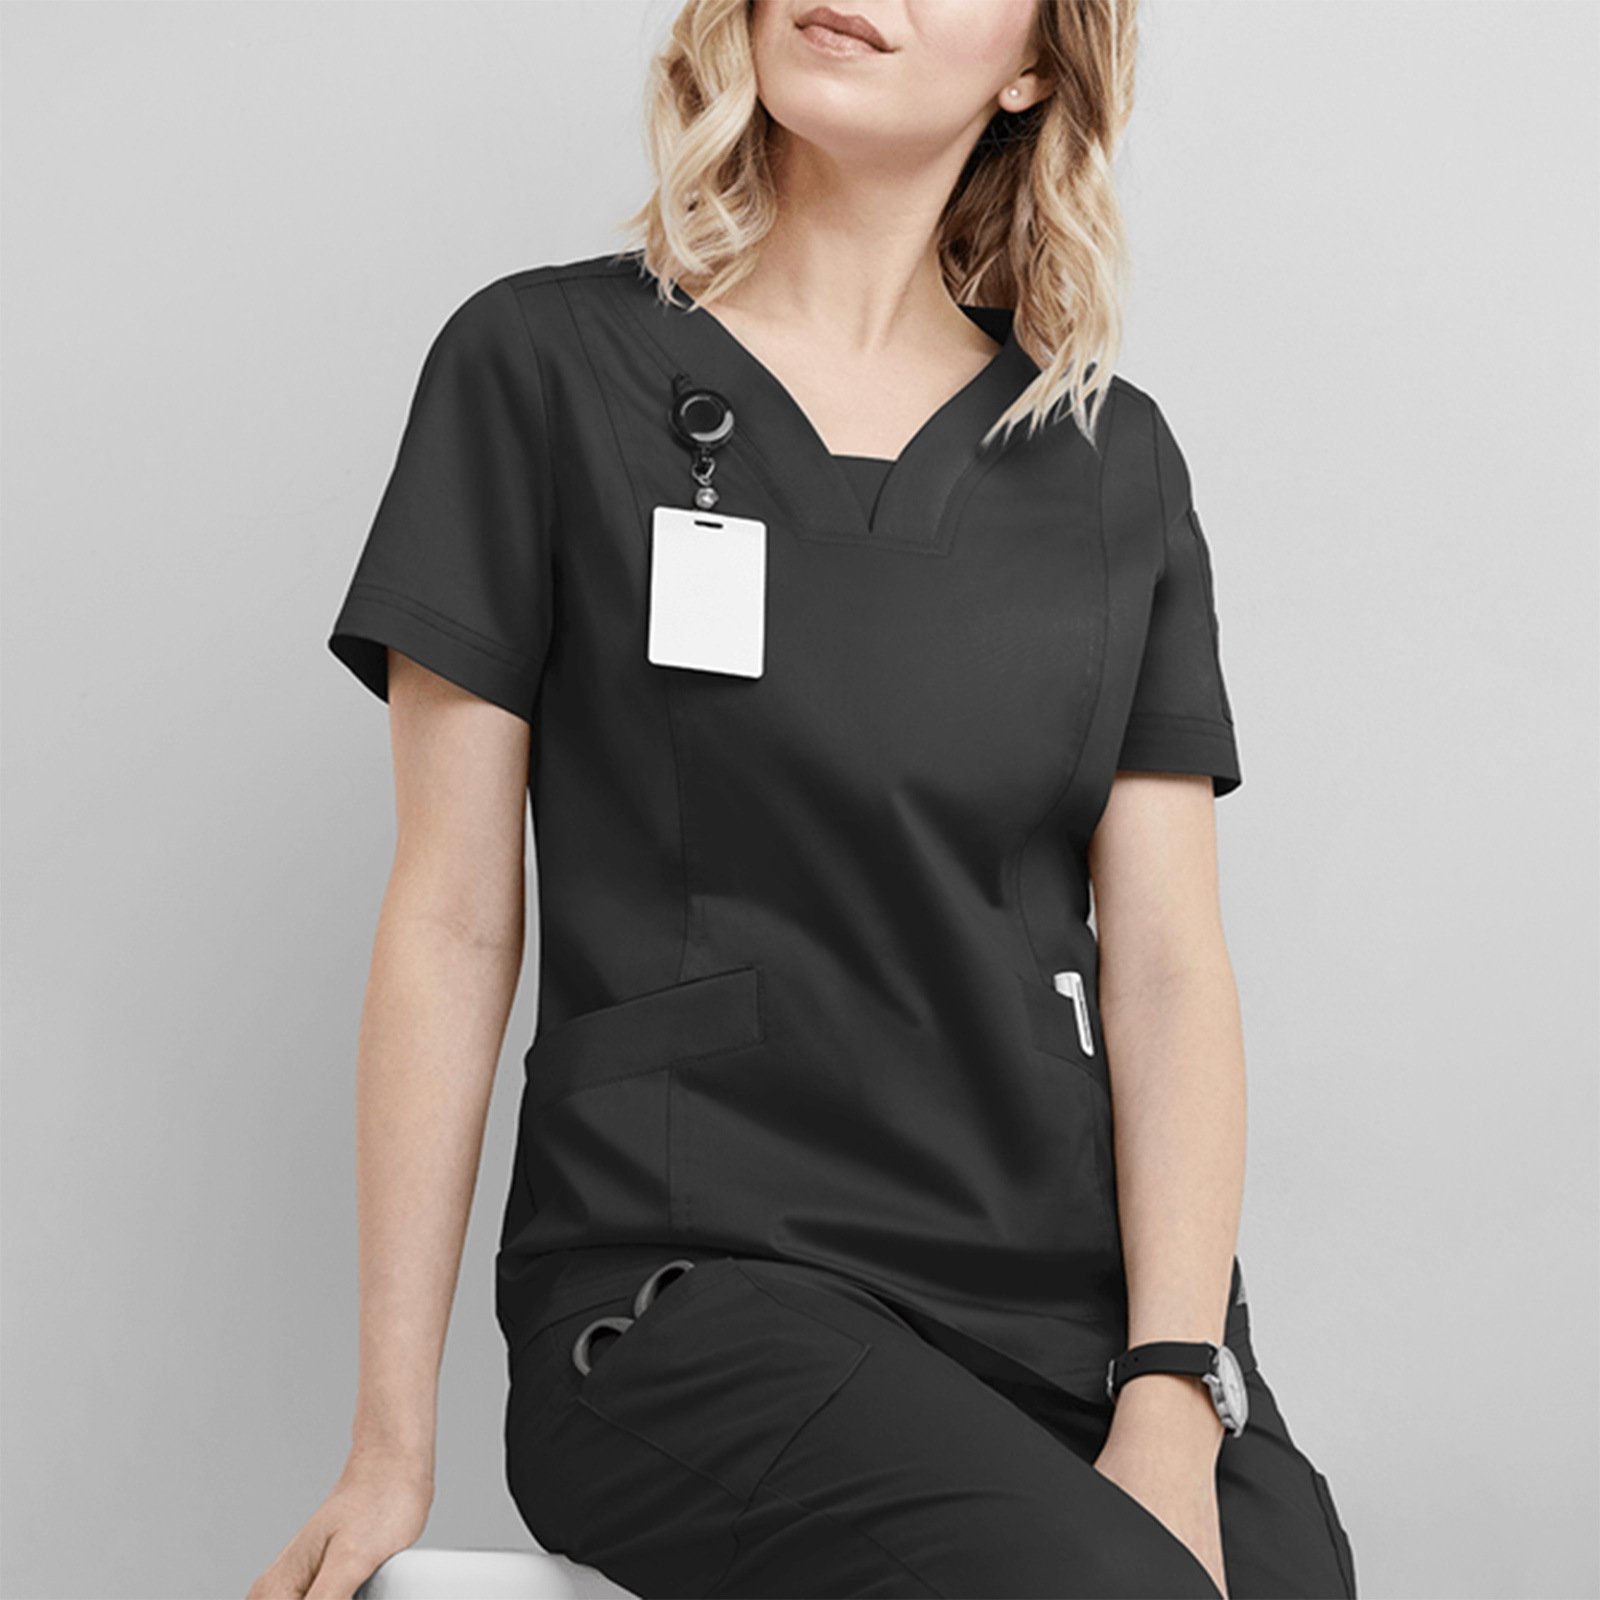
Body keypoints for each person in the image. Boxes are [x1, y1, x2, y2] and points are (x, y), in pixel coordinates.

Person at [250, 2, 1361, 1597]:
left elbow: (1170, 965)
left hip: (1066, 1306)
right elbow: (452, 919)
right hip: (699, 1286)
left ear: (1036, 65)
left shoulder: (1109, 464)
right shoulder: (543, 369)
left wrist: (1173, 1383)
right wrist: (388, 1442)